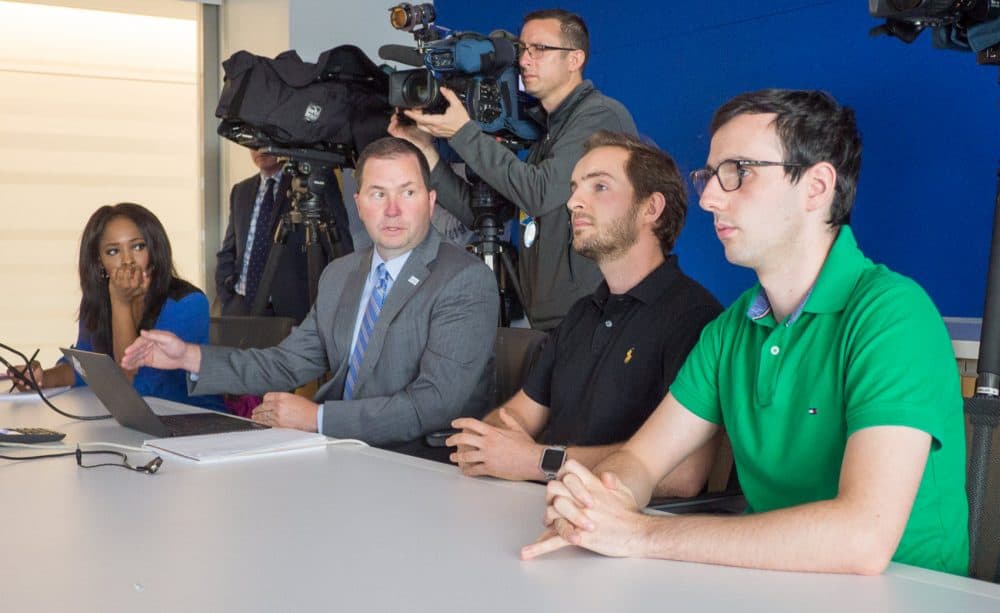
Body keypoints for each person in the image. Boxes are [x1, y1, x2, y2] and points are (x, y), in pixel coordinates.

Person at [522, 89, 970, 576]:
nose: (710, 197)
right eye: (710, 176)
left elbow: (861, 538)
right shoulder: (732, 328)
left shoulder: (894, 315)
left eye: (739, 171)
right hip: (763, 583)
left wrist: (640, 533)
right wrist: (600, 498)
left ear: (816, 187)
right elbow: (642, 461)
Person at [122, 137, 499, 455]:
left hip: (419, 464)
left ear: (431, 201)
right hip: (337, 455)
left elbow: (432, 405)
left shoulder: (465, 280)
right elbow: (287, 363)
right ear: (359, 203)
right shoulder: (341, 274)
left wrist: (316, 420)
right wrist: (189, 356)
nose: (393, 210)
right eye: (378, 194)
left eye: (408, 192)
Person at [446, 131, 721, 494]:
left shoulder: (696, 318)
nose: (573, 201)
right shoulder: (581, 314)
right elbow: (515, 418)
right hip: (545, 510)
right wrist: (488, 443)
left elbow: (683, 475)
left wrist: (536, 461)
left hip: (627, 533)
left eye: (599, 187)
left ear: (651, 208)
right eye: (575, 188)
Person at [390, 9, 637, 331]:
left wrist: (462, 132)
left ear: (575, 59)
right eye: (522, 50)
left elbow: (539, 193)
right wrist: (424, 148)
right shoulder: (547, 133)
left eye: (540, 49)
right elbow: (479, 214)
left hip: (595, 316)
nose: (525, 60)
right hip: (555, 319)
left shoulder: (599, 116)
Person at [7, 203, 222, 410]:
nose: (127, 260)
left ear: (154, 249)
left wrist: (121, 302)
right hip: (129, 424)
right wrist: (41, 378)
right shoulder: (97, 298)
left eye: (138, 246)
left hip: (190, 422)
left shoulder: (188, 303)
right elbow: (87, 368)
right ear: (99, 261)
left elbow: (132, 388)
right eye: (113, 252)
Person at [215, 148, 354, 323]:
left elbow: (340, 246)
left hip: (291, 312)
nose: (259, 149)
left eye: (264, 140)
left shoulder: (308, 185)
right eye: (253, 144)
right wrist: (227, 296)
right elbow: (229, 249)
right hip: (240, 307)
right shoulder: (241, 190)